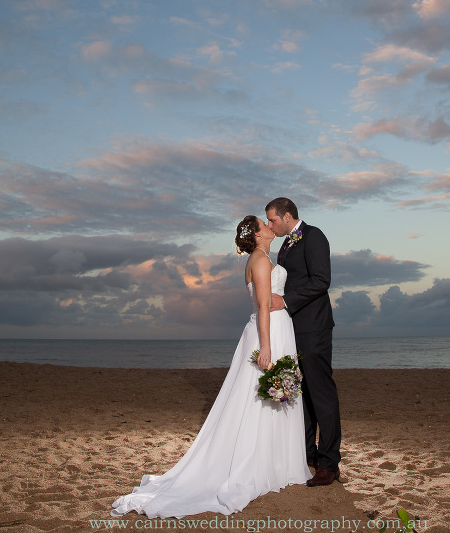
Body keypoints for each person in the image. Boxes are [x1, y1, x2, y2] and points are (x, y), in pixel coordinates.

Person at [111, 215, 310, 520]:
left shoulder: (265, 257)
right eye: (265, 224)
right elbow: (262, 305)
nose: (271, 226)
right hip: (267, 332)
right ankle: (259, 465)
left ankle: (276, 464)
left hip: (280, 329)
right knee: (257, 398)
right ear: (257, 235)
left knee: (273, 396)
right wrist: (267, 346)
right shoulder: (259, 260)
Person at [265, 197, 341, 487]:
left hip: (314, 328)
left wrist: (285, 302)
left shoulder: (314, 236)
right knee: (303, 392)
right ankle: (309, 454)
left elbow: (322, 280)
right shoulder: (285, 245)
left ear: (287, 216)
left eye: (272, 220)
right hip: (293, 328)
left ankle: (330, 463)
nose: (271, 225)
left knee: (322, 393)